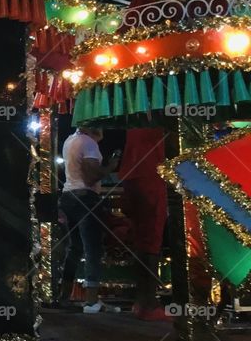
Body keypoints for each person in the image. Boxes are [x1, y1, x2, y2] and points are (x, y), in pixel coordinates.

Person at [56, 127, 121, 313]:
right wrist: (110, 166)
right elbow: (91, 176)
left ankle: (64, 297)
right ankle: (92, 302)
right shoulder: (88, 142)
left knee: (74, 248)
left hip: (68, 195)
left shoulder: (70, 140)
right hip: (85, 197)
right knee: (93, 248)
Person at [119, 128, 172, 321]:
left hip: (133, 174)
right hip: (151, 174)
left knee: (143, 240)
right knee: (151, 240)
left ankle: (143, 302)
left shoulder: (136, 110)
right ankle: (149, 303)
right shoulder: (161, 109)